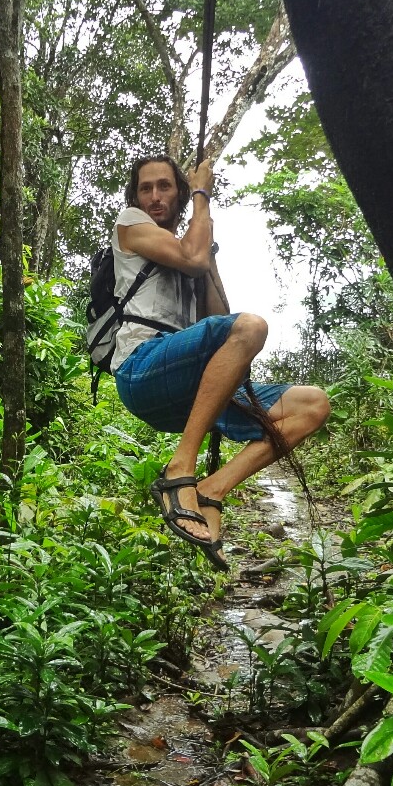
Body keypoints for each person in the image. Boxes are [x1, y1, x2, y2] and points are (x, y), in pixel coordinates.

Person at [110, 154, 331, 569]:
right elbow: (233, 318)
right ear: (135, 198)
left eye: (165, 186)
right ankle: (180, 470)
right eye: (145, 188)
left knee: (312, 405)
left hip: (187, 391)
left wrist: (207, 255)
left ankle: (211, 491)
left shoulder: (189, 251)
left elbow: (217, 318)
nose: (155, 196)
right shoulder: (131, 223)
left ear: (176, 196)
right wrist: (202, 194)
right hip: (141, 368)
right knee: (252, 326)